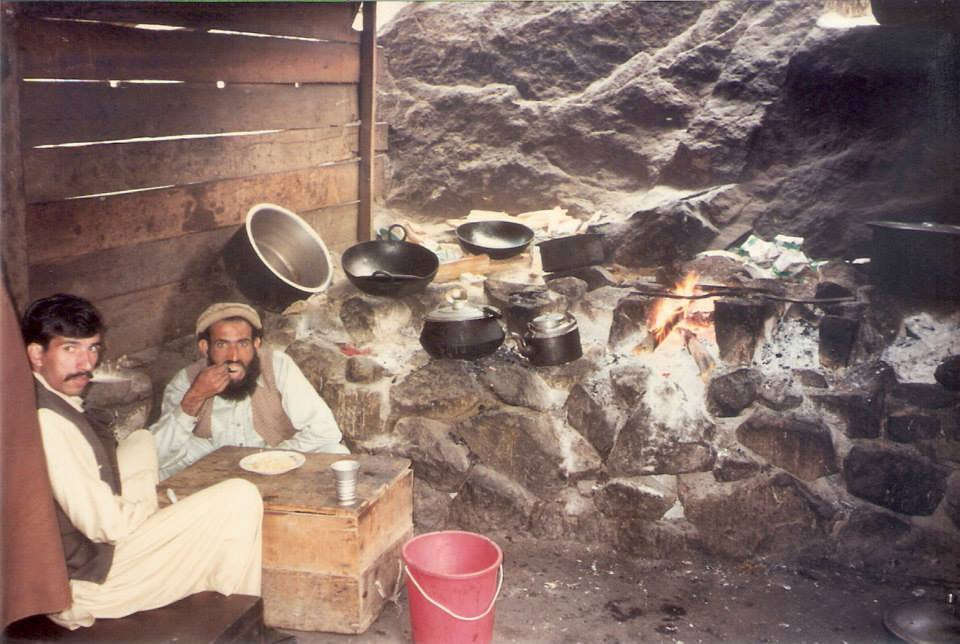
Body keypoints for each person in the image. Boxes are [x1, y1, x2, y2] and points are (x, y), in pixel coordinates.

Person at [22, 294, 264, 630]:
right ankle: (238, 623)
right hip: (87, 584)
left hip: (85, 551)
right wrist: (148, 511)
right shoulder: (48, 422)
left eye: (92, 348)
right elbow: (107, 526)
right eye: (70, 349)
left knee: (141, 441)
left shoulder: (39, 396)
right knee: (240, 496)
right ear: (37, 354)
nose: (86, 363)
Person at [151, 301, 348, 479]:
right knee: (153, 472)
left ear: (256, 344)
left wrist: (273, 458)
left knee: (337, 454)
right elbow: (156, 456)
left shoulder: (277, 366)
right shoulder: (186, 382)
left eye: (243, 344)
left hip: (279, 463)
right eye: (222, 344)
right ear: (205, 348)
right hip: (213, 467)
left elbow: (325, 431)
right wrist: (195, 396)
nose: (234, 356)